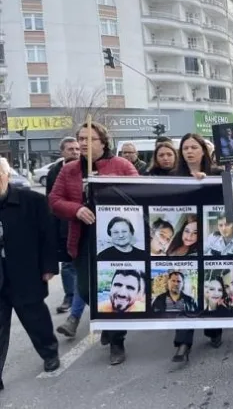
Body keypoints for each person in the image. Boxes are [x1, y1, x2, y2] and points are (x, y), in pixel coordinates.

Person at [49, 121, 138, 365]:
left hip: (116, 240)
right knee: (88, 289)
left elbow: (141, 193)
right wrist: (76, 209)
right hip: (84, 239)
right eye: (81, 139)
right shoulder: (68, 170)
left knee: (113, 288)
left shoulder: (121, 165)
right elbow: (54, 200)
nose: (84, 143)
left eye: (90, 139)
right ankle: (107, 325)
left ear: (104, 142)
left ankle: (117, 340)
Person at [0, 157, 61, 392]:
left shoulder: (32, 201)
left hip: (26, 273)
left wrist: (49, 267)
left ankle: (49, 353)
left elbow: (48, 236)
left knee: (36, 319)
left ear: (6, 176)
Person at [167, 133, 224, 359]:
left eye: (194, 147)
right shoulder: (172, 177)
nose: (189, 151)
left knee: (209, 283)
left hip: (209, 238)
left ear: (204, 151)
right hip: (187, 239)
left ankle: (213, 330)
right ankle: (183, 342)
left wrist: (206, 183)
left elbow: (228, 199)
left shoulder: (217, 174)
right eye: (185, 148)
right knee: (186, 285)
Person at [46, 136, 80, 314]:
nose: (75, 152)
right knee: (67, 264)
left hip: (84, 223)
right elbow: (51, 201)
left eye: (77, 149)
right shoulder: (54, 172)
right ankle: (70, 296)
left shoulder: (87, 169)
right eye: (70, 149)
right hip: (62, 225)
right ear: (62, 152)